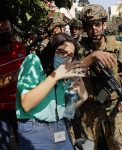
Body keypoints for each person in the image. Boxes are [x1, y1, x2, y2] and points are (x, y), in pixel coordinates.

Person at [77, 4, 122, 150]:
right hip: (89, 109)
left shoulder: (117, 48)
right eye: (90, 26)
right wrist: (92, 56)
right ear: (85, 28)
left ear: (104, 24)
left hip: (113, 108)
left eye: (97, 24)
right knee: (88, 146)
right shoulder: (79, 48)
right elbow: (72, 71)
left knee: (117, 146)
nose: (94, 30)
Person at [16, 33, 90, 150]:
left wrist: (83, 96)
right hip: (36, 130)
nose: (67, 58)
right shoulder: (34, 61)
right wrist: (55, 76)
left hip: (60, 127)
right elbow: (26, 104)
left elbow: (66, 110)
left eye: (70, 55)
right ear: (51, 50)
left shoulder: (62, 77)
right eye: (62, 52)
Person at [0, 15, 26, 149]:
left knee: (23, 140)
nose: (6, 32)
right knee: (4, 144)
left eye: (7, 29)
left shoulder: (19, 47)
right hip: (2, 109)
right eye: (2, 31)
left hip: (21, 105)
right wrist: (13, 77)